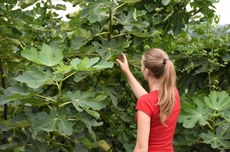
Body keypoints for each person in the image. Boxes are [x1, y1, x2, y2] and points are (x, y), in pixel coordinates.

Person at [116, 48, 180, 152]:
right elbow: (150, 102)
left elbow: (141, 149)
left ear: (146, 71)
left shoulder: (146, 102)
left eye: (142, 65)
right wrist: (127, 72)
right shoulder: (173, 93)